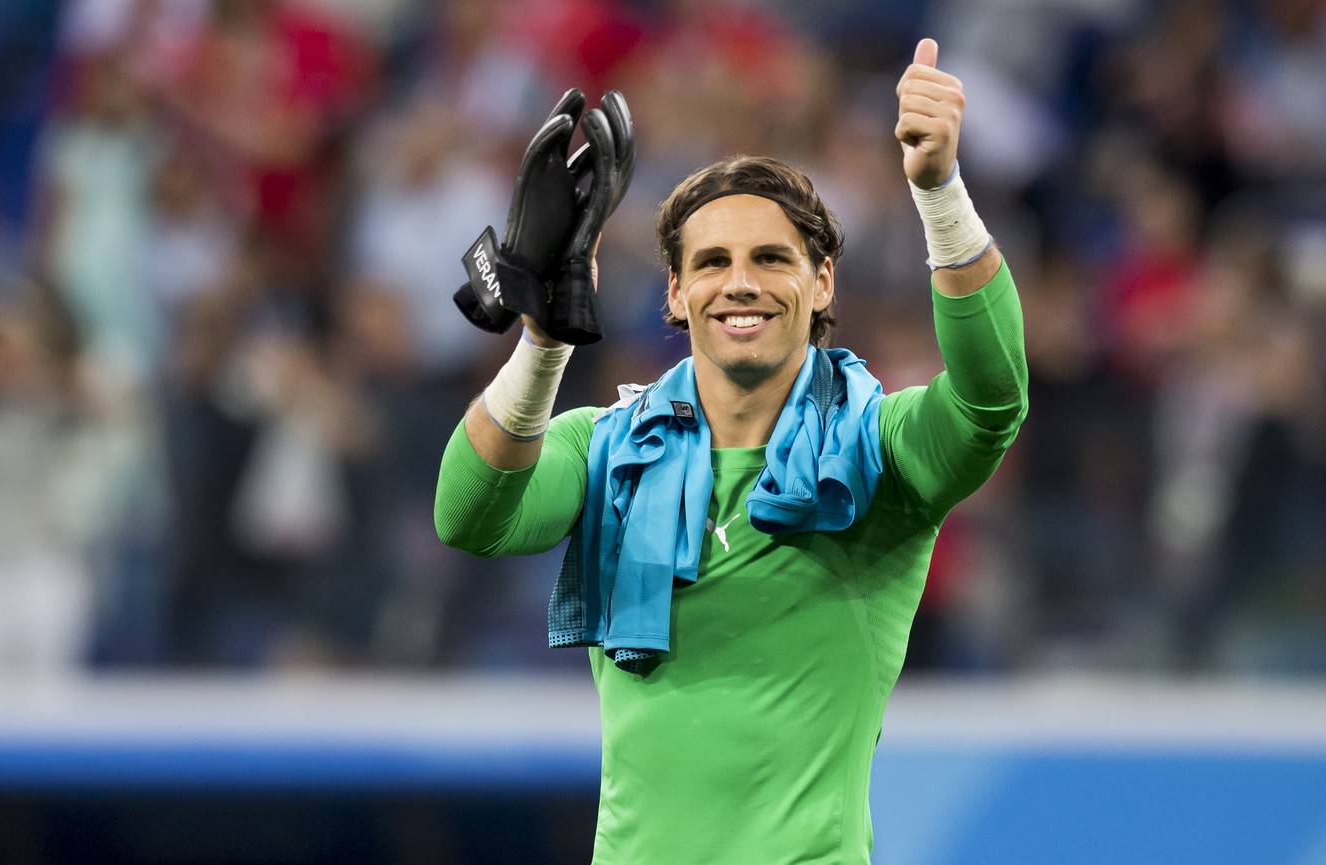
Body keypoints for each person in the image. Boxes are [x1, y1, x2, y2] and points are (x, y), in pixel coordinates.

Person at [435, 38, 1027, 864]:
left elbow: (992, 400)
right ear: (675, 293)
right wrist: (543, 336)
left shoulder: (876, 454)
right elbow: (470, 515)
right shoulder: (608, 448)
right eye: (711, 262)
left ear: (822, 283)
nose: (739, 282)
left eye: (771, 259)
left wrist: (940, 193)